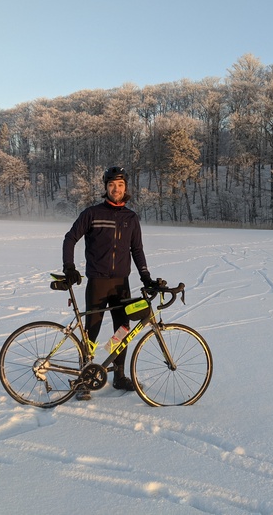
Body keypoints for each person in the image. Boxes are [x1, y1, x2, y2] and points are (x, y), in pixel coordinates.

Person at [62, 166, 155, 400]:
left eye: (120, 185)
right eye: (112, 185)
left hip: (121, 284)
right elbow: (70, 238)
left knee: (122, 331)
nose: (116, 189)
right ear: (105, 187)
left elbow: (137, 249)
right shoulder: (92, 214)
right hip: (97, 282)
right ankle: (85, 378)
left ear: (126, 188)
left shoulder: (131, 218)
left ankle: (119, 375)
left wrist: (146, 277)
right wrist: (69, 268)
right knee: (90, 332)